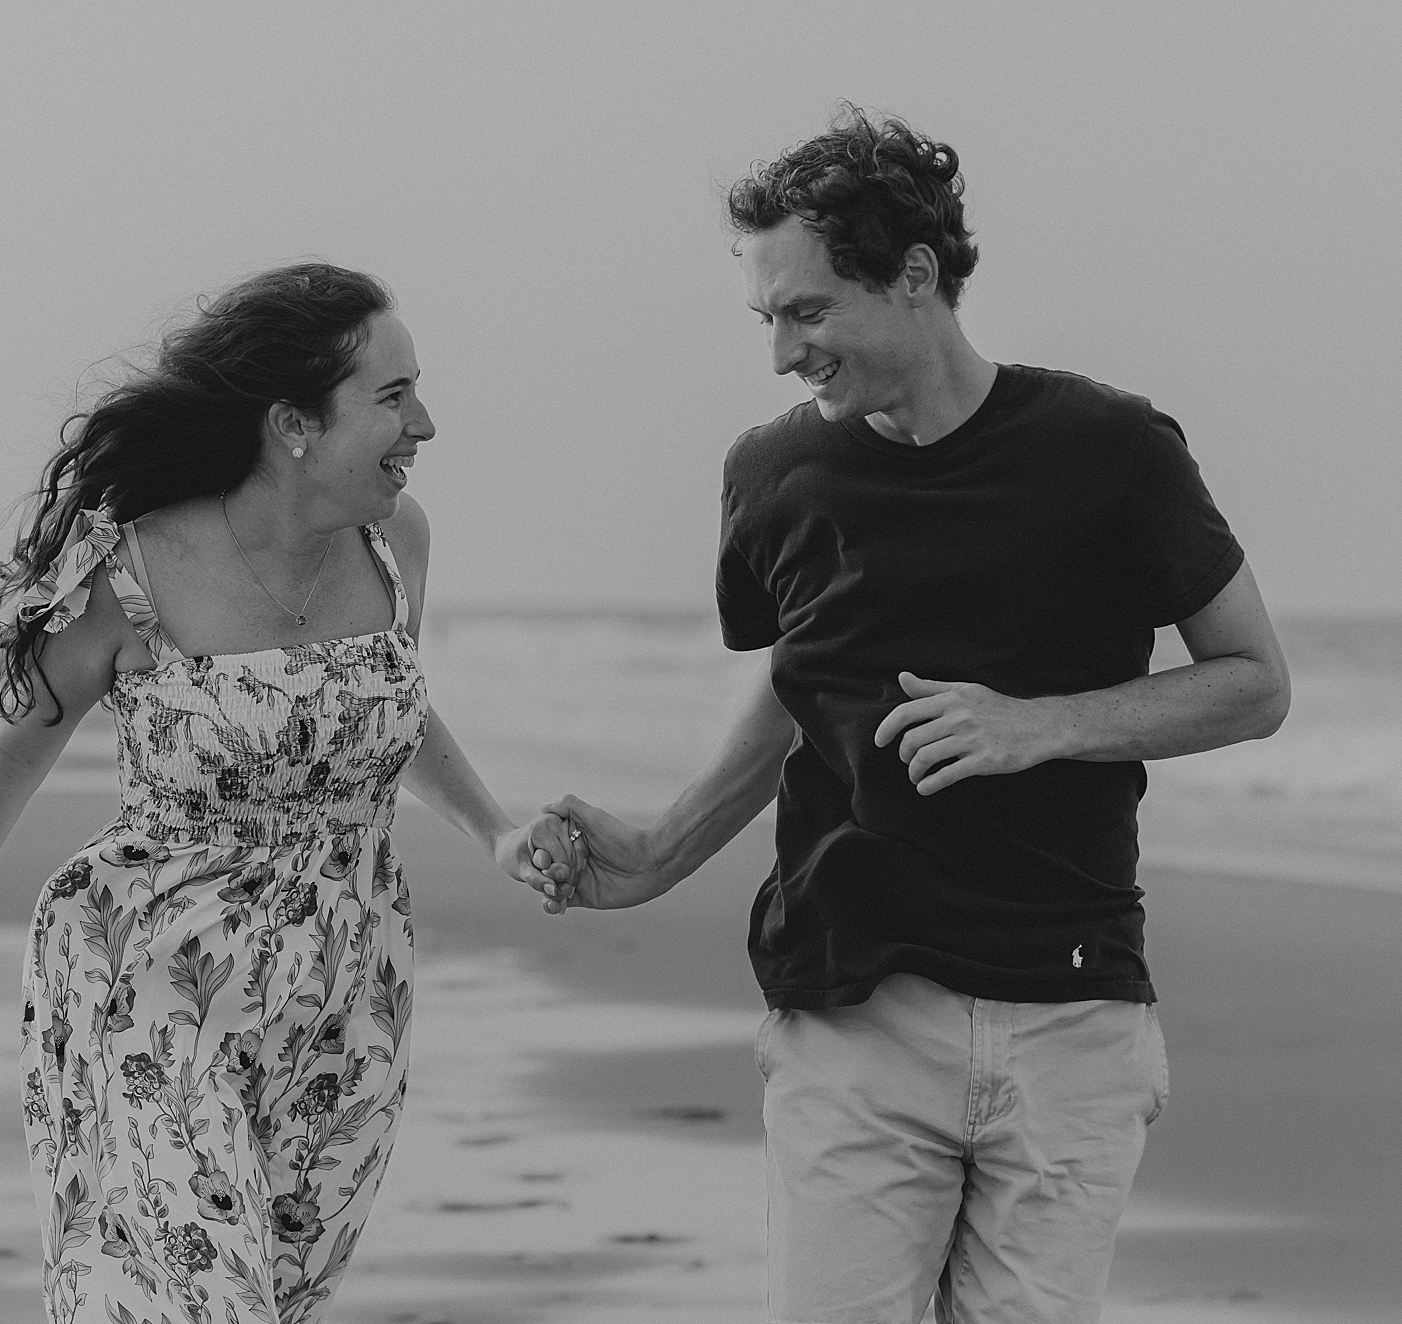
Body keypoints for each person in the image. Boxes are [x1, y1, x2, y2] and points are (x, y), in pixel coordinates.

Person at [536, 110, 1291, 1323]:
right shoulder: (773, 475)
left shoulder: (1110, 449)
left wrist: (1037, 723)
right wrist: (666, 844)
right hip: (851, 1009)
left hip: (1071, 1008)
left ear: (915, 275)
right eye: (766, 319)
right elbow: (801, 675)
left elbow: (1252, 681)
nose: (784, 353)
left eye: (808, 311)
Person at [0, 263, 575, 1324]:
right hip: (152, 986)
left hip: (348, 995)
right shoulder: (132, 568)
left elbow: (382, 710)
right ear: (293, 425)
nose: (425, 425)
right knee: (210, 1304)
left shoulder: (397, 545)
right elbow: (17, 746)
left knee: (271, 1300)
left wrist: (492, 829)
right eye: (391, 398)